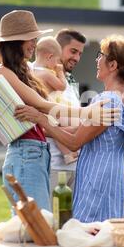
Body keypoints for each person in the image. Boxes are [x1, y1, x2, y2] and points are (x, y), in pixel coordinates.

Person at [0, 10, 118, 214]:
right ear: (16, 42)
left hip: (36, 152)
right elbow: (41, 104)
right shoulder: (1, 72)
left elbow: (43, 116)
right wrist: (87, 113)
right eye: (31, 39)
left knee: (37, 225)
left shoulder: (24, 71)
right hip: (26, 153)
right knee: (38, 224)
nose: (34, 44)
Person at [15, 35, 124, 222]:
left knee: (90, 234)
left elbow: (75, 142)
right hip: (108, 179)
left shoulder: (108, 100)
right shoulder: (123, 95)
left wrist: (40, 119)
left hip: (97, 181)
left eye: (101, 55)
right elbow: (76, 131)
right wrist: (38, 129)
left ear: (113, 65)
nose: (96, 59)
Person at [47, 29, 87, 193]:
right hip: (54, 166)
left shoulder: (69, 80)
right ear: (57, 49)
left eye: (80, 54)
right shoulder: (45, 77)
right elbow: (48, 121)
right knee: (53, 218)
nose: (77, 58)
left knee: (73, 219)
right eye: (73, 51)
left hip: (75, 166)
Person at [32, 36, 78, 165]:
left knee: (56, 129)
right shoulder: (46, 74)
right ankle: (68, 153)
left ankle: (68, 154)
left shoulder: (32, 72)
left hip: (42, 109)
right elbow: (61, 86)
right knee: (60, 130)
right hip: (51, 108)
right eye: (57, 60)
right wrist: (60, 72)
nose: (57, 64)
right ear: (49, 57)